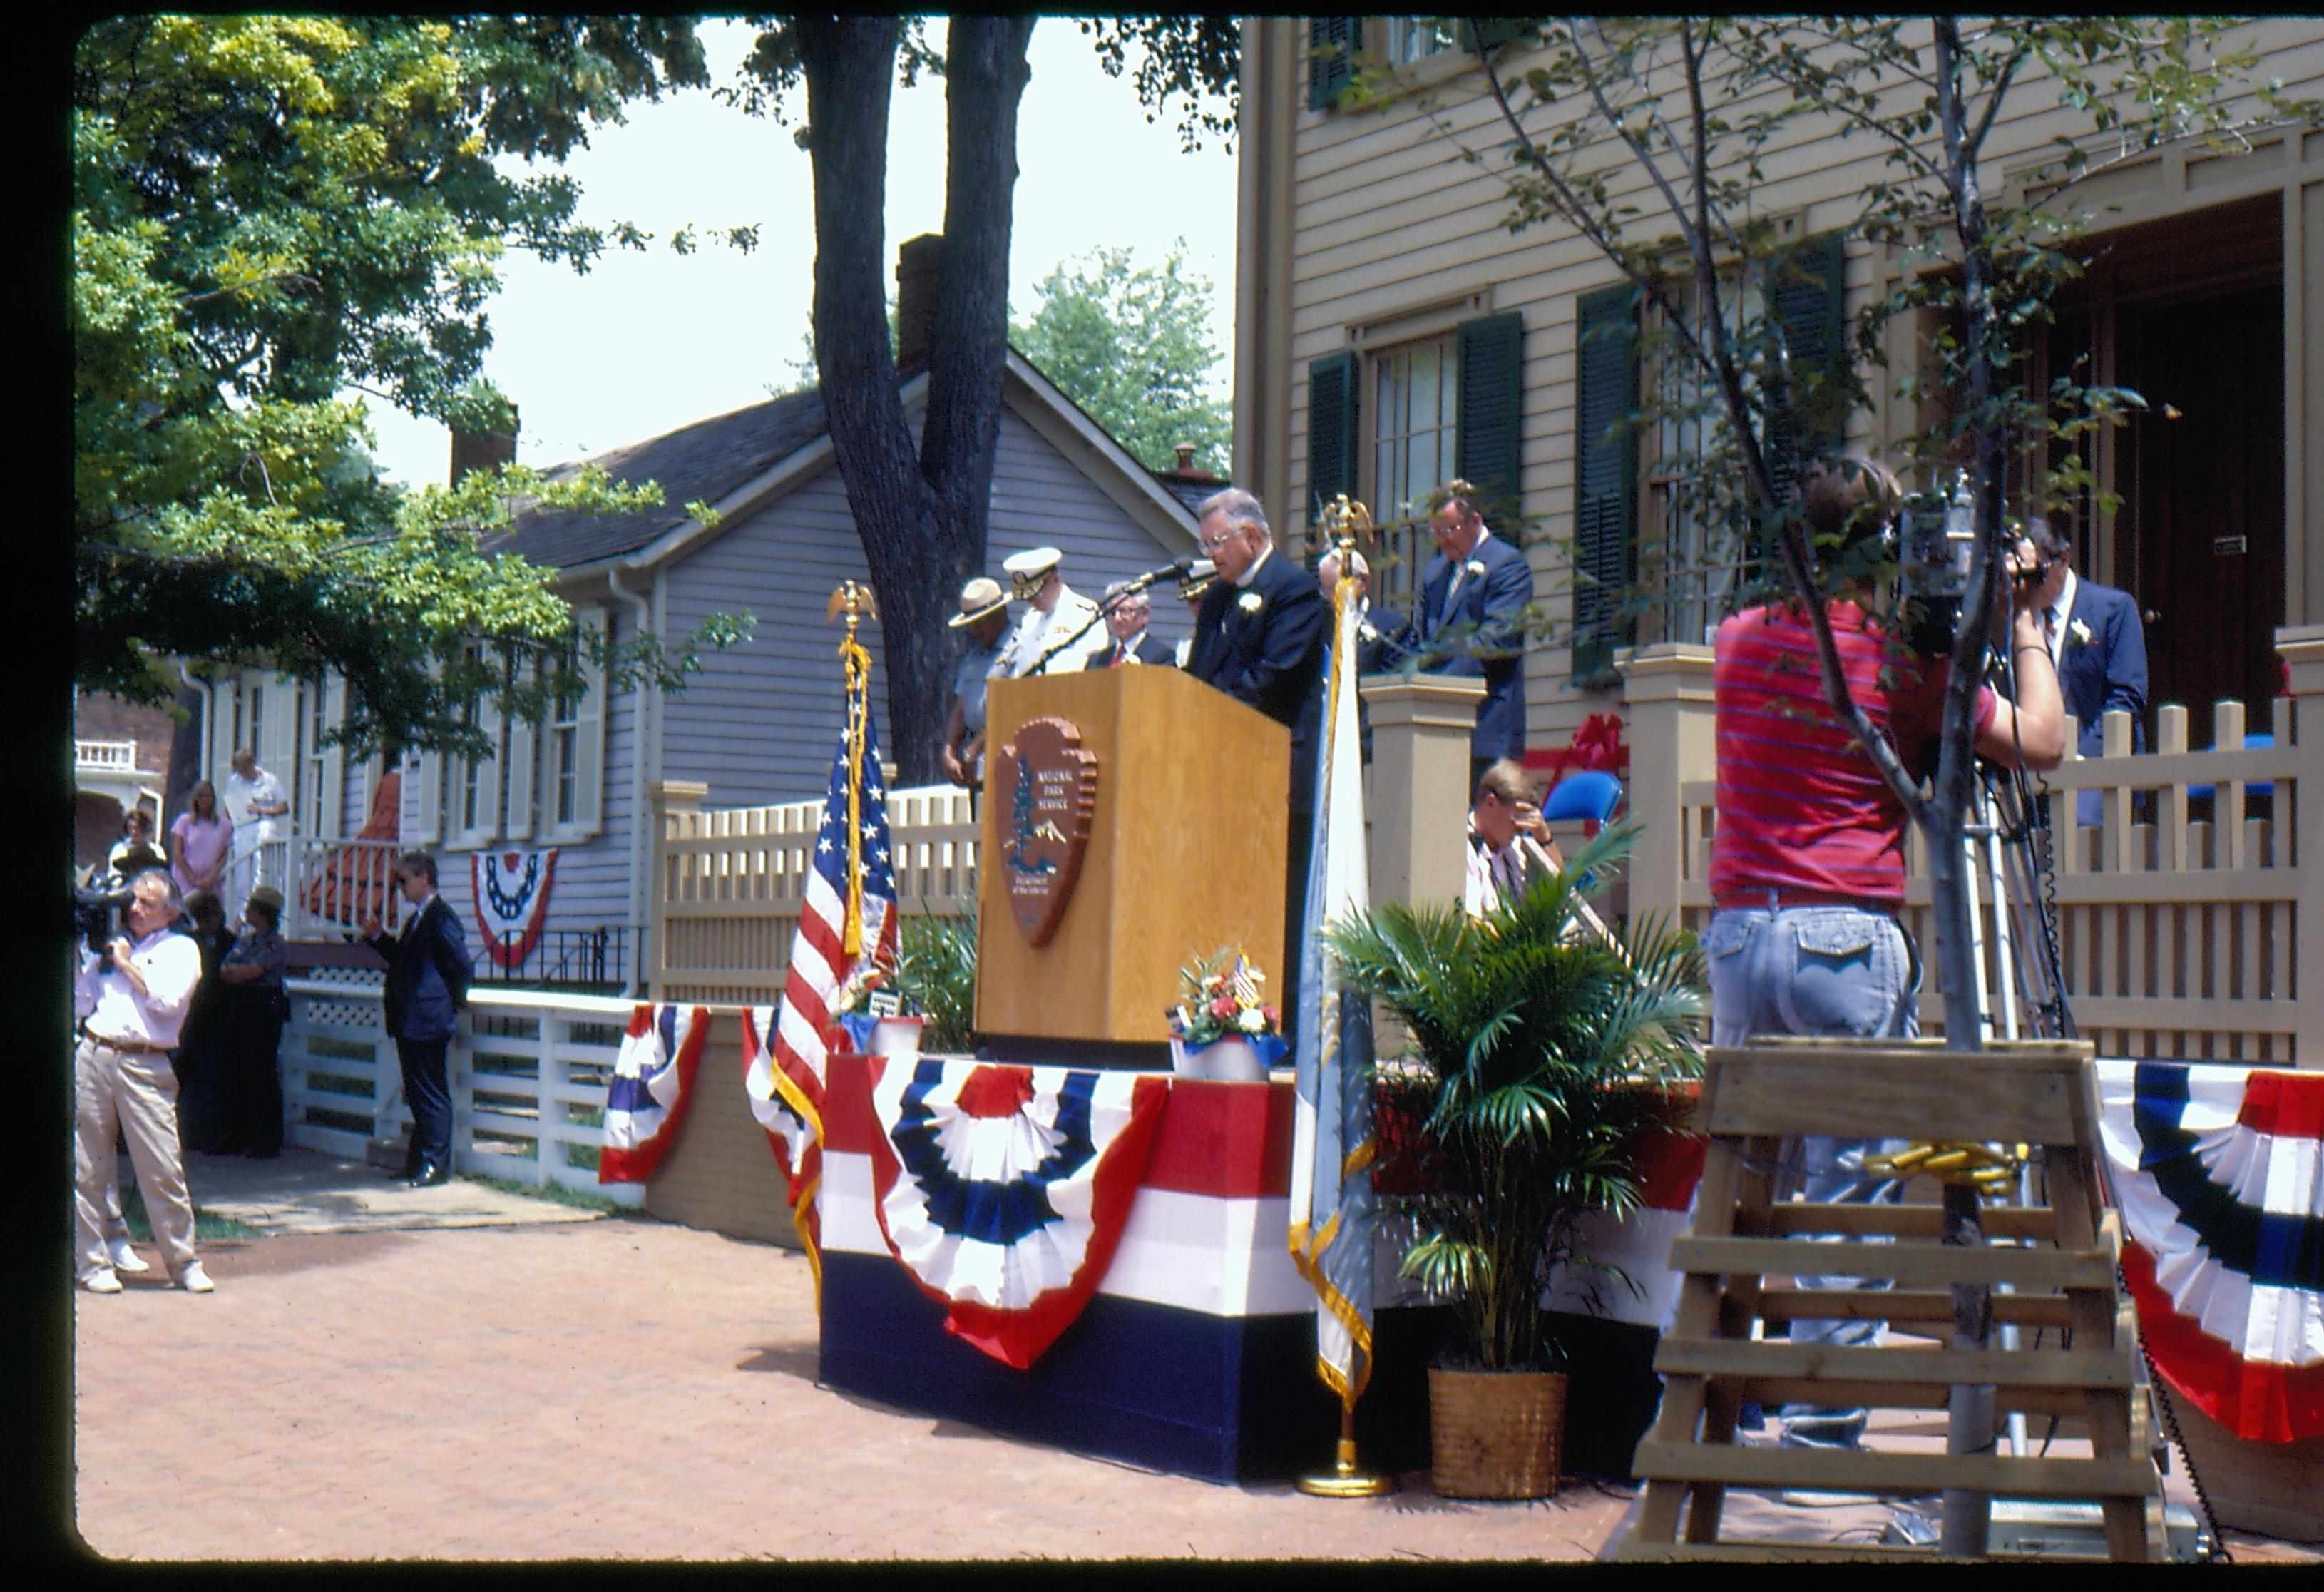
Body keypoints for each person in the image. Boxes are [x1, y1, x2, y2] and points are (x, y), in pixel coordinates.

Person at [1706, 458, 2064, 1451]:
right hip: (1841, 939)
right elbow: (2040, 740)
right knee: (1844, 1200)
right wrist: (2022, 619)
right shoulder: (1897, 662)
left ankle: (1698, 1414)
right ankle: (1820, 1440)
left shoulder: (1734, 643)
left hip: (1739, 931)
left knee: (1738, 1189)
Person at [1185, 487, 1329, 1031]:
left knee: (1279, 903)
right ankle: (1220, 1010)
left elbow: (1273, 680)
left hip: (1277, 773)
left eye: (1217, 542)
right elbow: (1198, 673)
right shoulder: (1217, 598)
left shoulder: (1294, 592)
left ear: (1252, 535)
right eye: (1205, 545)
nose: (1211, 554)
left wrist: (1208, 708)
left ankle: (1282, 1021)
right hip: (1220, 774)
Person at [73, 868, 214, 1294]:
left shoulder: (180, 949)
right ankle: (92, 1263)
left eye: (146, 903)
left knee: (161, 1168)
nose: (133, 909)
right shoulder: (113, 946)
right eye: (131, 900)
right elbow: (82, 1003)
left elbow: (167, 1004)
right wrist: (88, 958)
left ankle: (183, 1261)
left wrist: (125, 964)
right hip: (95, 1053)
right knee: (87, 1169)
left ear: (169, 912)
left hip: (145, 1064)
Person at [2012, 515, 2148, 827]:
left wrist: (2079, 757)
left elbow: (2127, 696)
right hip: (2036, 767)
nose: (2029, 584)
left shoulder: (2114, 609)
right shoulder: (2020, 616)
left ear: (2064, 559)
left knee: (2076, 828)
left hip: (2099, 762)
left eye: (2038, 573)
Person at [1409, 481, 1536, 794]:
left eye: (1449, 530)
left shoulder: (1507, 565)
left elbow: (1496, 642)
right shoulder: (1435, 574)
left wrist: (1438, 686)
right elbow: (1422, 640)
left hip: (1487, 726)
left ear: (1475, 521)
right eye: (1435, 532)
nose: (1442, 541)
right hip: (1435, 724)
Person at [360, 851, 471, 1187]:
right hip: (411, 1018)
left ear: (425, 878)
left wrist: (449, 1002)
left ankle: (436, 1164)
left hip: (428, 1018)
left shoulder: (441, 918)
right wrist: (378, 938)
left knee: (431, 1091)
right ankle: (418, 1160)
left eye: (404, 880)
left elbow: (461, 965)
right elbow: (404, 962)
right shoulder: (417, 919)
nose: (400, 888)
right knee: (417, 1091)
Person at [215, 884, 290, 1159]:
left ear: (263, 913)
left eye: (252, 909)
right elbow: (226, 970)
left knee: (262, 1071)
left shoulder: (275, 944)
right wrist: (237, 973)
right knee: (238, 1069)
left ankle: (265, 1139)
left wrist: (239, 973)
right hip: (241, 1006)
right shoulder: (245, 941)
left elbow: (253, 971)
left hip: (263, 1007)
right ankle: (237, 1134)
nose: (247, 913)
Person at [172, 888, 237, 1155]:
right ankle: (189, 1132)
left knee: (217, 1076)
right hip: (195, 1013)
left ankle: (216, 1134)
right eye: (204, 918)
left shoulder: (229, 941)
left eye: (213, 916)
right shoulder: (191, 942)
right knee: (188, 1073)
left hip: (222, 1014)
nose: (210, 922)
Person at [941, 576, 1012, 790]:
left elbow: (1010, 712)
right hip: (973, 762)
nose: (976, 630)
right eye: (972, 624)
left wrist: (973, 750)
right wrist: (948, 750)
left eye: (981, 622)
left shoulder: (1018, 650)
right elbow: (961, 709)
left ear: (999, 614)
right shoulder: (975, 656)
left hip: (1005, 756)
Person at [994, 546, 1110, 678]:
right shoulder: (1030, 619)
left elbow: (1096, 670)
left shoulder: (1085, 614)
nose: (1032, 602)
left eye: (1036, 595)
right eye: (1027, 598)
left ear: (1056, 580)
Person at [222, 747, 290, 906]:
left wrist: (262, 810)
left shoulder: (270, 781)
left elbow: (284, 807)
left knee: (261, 868)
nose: (242, 773)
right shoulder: (234, 781)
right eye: (239, 769)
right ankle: (243, 908)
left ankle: (261, 902)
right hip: (243, 827)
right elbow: (229, 806)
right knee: (242, 871)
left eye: (245, 768)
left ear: (252, 764)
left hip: (264, 824)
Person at [168, 780, 232, 902]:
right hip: (185, 882)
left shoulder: (224, 824)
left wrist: (210, 878)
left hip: (212, 885)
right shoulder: (184, 821)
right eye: (201, 796)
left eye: (207, 796)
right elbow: (177, 853)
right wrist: (193, 879)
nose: (204, 799)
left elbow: (224, 856)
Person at [1088, 581, 1174, 668]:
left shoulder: (1162, 658)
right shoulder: (1096, 661)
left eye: (1124, 611)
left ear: (1145, 614)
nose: (1117, 618)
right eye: (1112, 611)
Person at [107, 807, 167, 877]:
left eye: (136, 828)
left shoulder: (157, 850)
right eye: (130, 828)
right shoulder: (119, 849)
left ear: (144, 828)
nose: (133, 832)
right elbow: (113, 875)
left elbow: (163, 875)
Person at [1172, 570, 1213, 668]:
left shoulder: (1226, 634)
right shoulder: (1186, 642)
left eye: (1200, 598)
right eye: (1191, 601)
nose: (1196, 607)